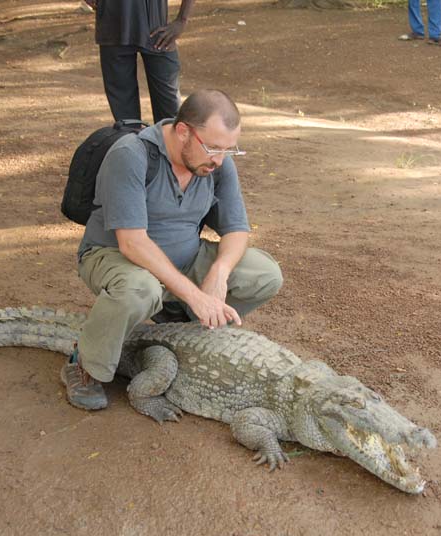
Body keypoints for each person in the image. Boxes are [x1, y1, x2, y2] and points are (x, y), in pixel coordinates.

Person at [62, 90, 283, 410]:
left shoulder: (217, 165)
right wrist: (195, 296)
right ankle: (84, 364)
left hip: (184, 259)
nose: (219, 160)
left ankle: (178, 332)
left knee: (263, 273)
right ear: (183, 132)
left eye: (229, 149)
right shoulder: (131, 155)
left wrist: (219, 275)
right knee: (140, 289)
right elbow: (132, 243)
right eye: (213, 148)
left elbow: (236, 230)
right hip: (115, 257)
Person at [85, 0, 196, 123]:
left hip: (157, 31)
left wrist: (182, 21)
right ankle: (131, 140)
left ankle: (165, 141)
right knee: (126, 121)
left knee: (169, 116)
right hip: (113, 27)